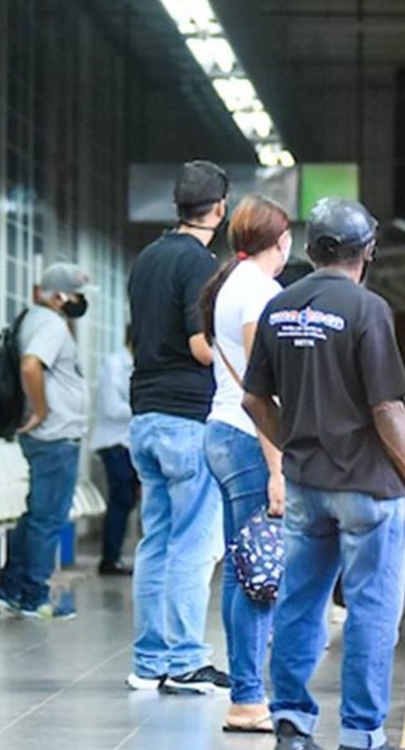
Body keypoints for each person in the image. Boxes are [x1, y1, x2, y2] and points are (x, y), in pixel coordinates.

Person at [242, 197, 405, 750]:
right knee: (373, 610)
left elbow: (254, 399)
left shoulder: (280, 307)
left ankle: (293, 732)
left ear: (308, 248)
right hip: (369, 489)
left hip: (306, 483)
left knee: (300, 604)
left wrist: (295, 442)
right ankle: (361, 741)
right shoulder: (368, 309)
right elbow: (387, 407)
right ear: (368, 251)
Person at [124, 160, 231, 694]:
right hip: (187, 419)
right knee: (193, 543)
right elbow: (198, 346)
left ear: (175, 206)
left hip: (144, 417)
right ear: (220, 209)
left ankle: (149, 662)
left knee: (156, 542)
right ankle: (186, 659)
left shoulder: (146, 258)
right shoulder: (198, 264)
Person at [198, 195, 291, 733]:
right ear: (280, 243)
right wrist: (278, 467)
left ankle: (245, 694)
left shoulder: (227, 284)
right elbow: (262, 389)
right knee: (260, 570)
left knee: (242, 570)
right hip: (248, 438)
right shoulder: (260, 292)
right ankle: (251, 698)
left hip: (221, 432)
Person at [0, 262, 95, 620]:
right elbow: (31, 365)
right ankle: (34, 594)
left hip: (48, 437)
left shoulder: (33, 319)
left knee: (37, 515)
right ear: (59, 296)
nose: (81, 302)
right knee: (48, 518)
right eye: (78, 295)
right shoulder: (50, 324)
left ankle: (10, 587)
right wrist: (41, 410)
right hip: (54, 437)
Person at [91, 324, 137, 576]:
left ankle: (114, 555)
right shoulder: (114, 365)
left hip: (127, 442)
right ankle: (109, 559)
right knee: (120, 500)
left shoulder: (135, 364)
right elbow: (111, 408)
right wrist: (141, 406)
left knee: (127, 500)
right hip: (113, 443)